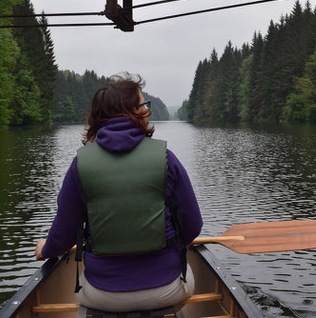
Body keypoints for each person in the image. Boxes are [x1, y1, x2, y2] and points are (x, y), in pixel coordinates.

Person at [34, 73, 203, 314]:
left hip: (103, 293)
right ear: (134, 112)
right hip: (165, 288)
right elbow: (193, 226)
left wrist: (45, 249)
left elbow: (63, 235)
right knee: (188, 281)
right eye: (143, 105)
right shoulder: (167, 159)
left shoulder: (80, 165)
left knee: (82, 291)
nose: (146, 111)